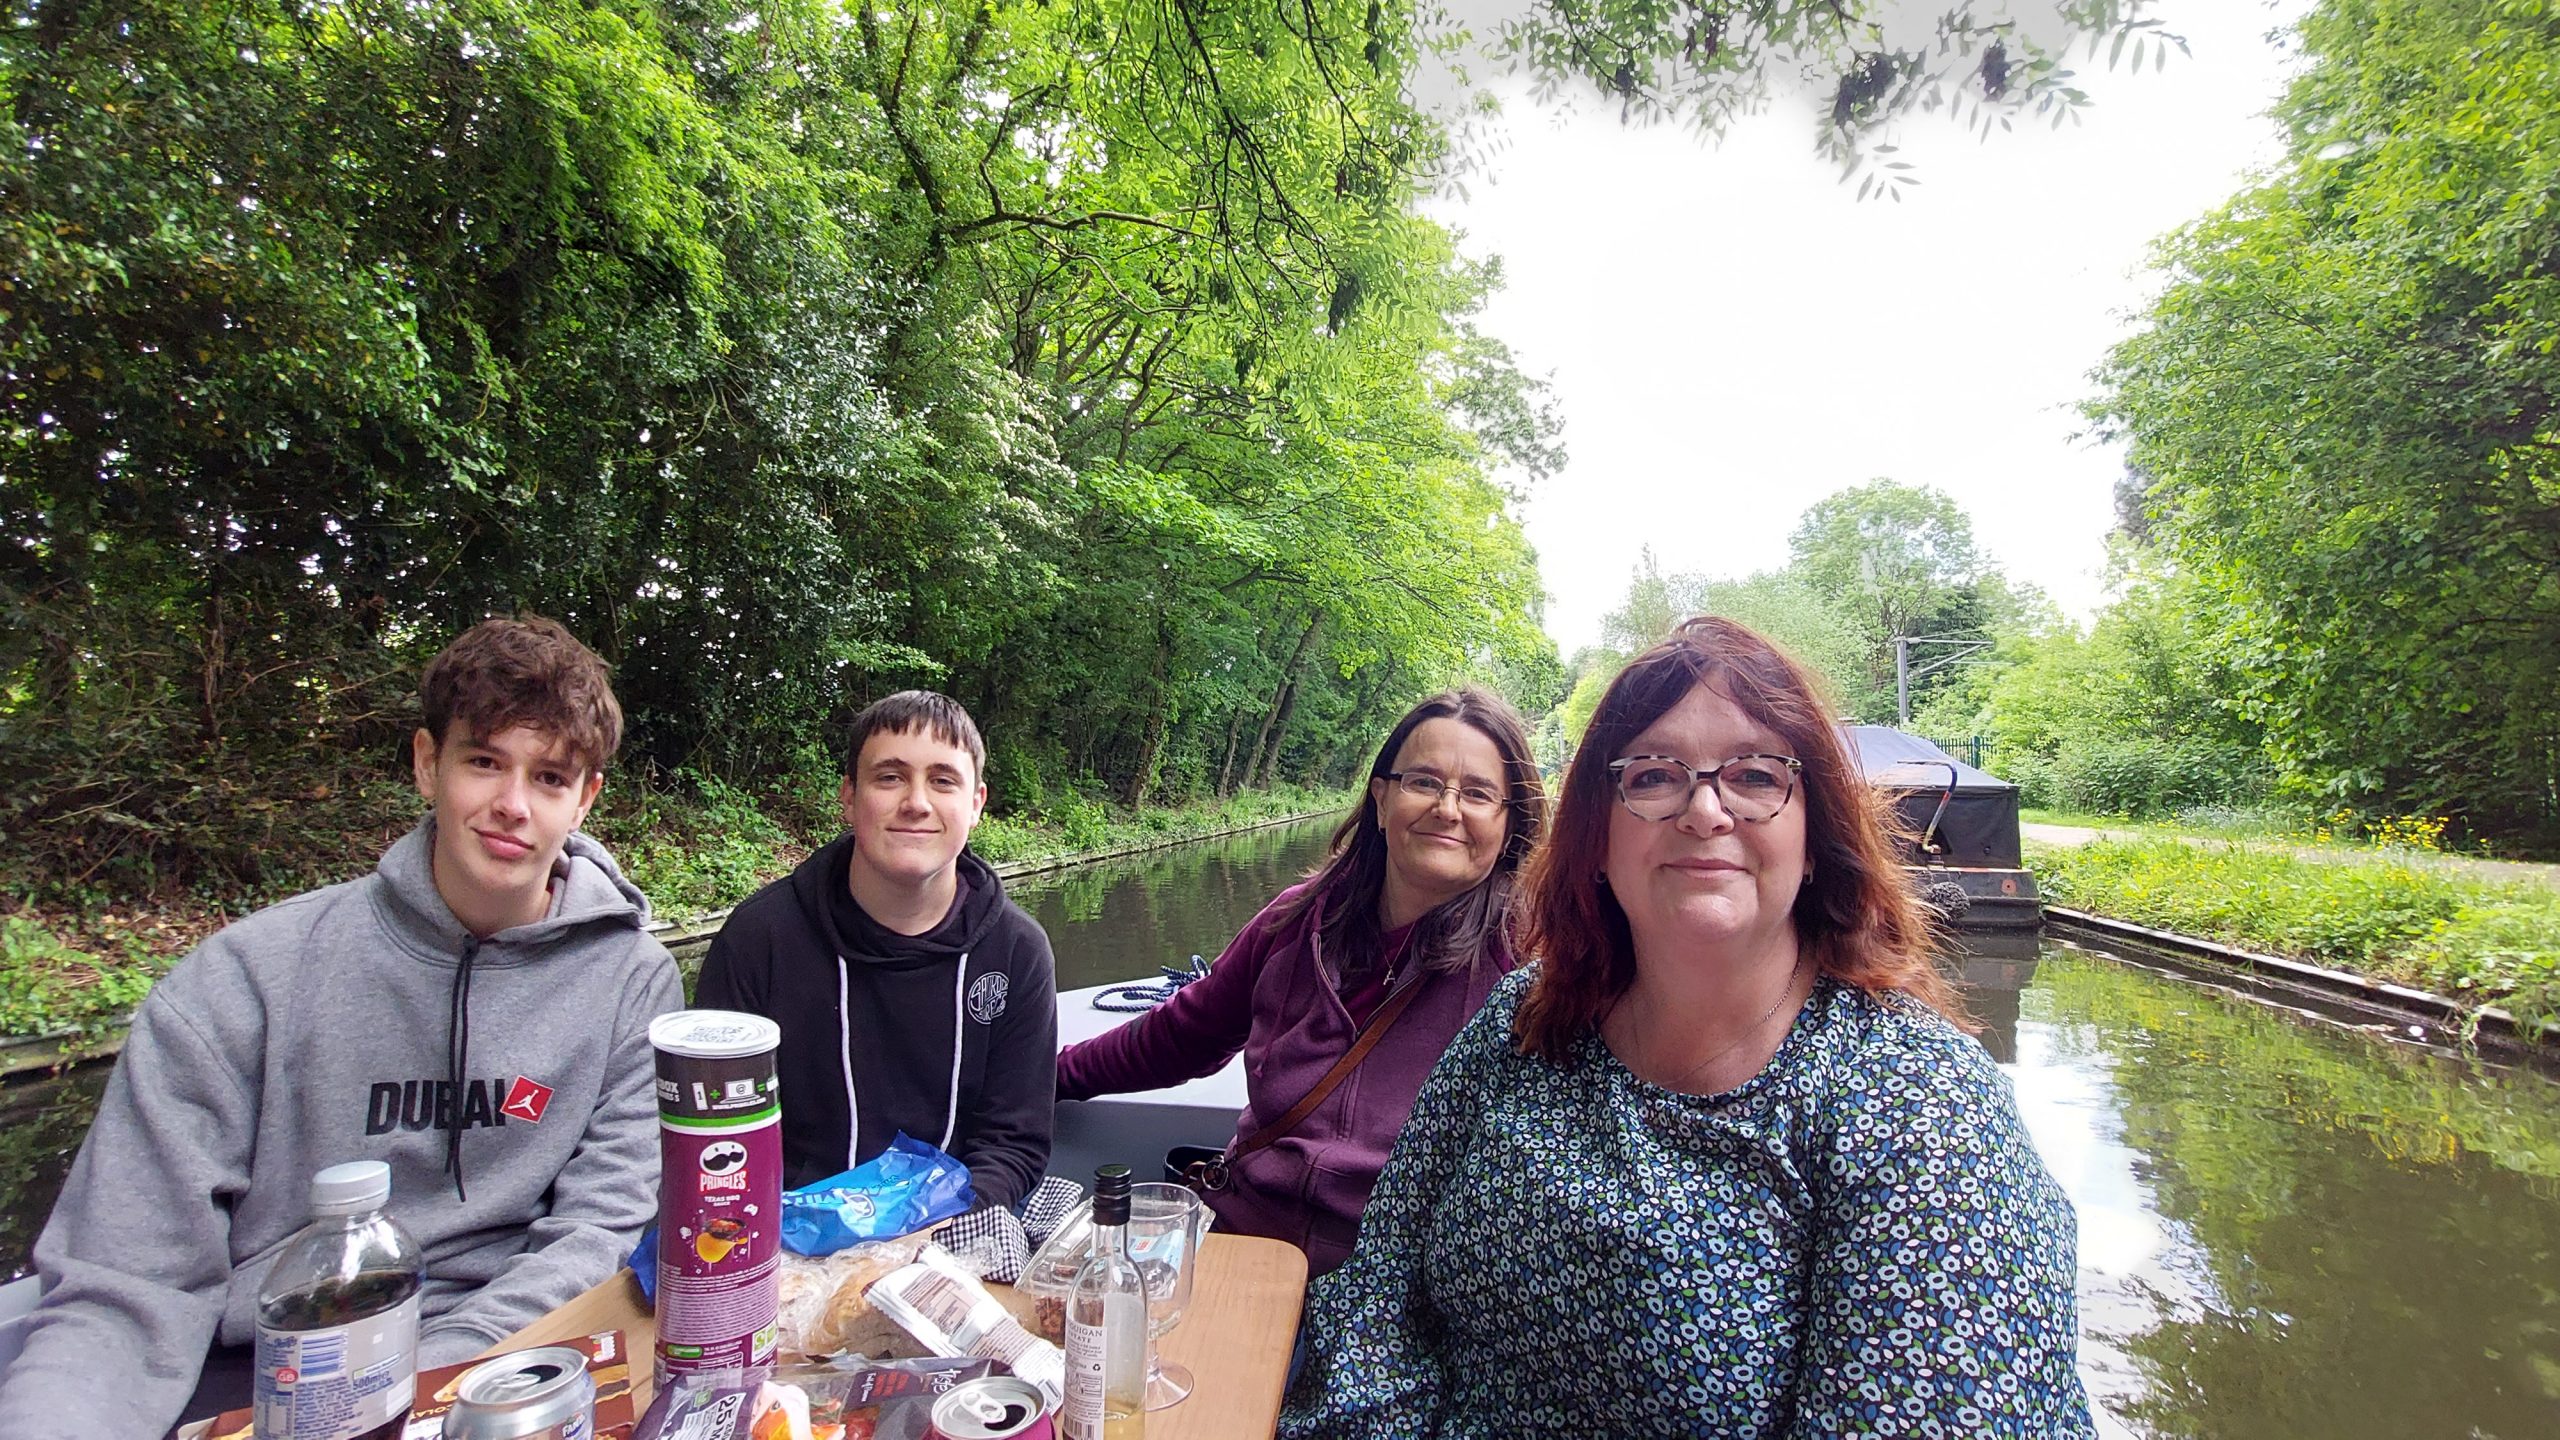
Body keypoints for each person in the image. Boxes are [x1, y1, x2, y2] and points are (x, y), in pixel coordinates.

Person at [1282, 618, 2093, 1438]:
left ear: (1815, 837)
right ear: (1598, 836)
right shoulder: (1525, 1020)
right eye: (1656, 775)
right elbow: (1378, 1295)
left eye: (1753, 774)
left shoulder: (1924, 1111)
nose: (1705, 810)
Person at [0, 617, 684, 1436]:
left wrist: (438, 1385)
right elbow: (127, 1284)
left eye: (548, 777)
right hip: (258, 1366)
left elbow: (599, 1222)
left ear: (584, 799)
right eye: (484, 762)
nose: (511, 805)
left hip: (506, 1352)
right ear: (428, 764)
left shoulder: (632, 981)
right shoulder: (242, 981)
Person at [1057, 688, 1545, 1276]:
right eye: (1423, 781)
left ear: (1509, 820)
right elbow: (1181, 1036)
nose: (1447, 808)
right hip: (1245, 1242)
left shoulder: (1527, 960)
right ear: (1381, 794)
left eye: (1478, 794)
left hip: (1392, 1283)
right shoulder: (1296, 921)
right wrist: (1042, 1078)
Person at [694, 690, 1057, 1207]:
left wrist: (925, 1233)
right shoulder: (760, 938)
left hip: (950, 1229)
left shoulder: (1017, 951)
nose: (916, 803)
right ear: (849, 796)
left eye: (942, 780)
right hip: (790, 1233)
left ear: (975, 804)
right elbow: (720, 1134)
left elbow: (1012, 1142)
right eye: (889, 777)